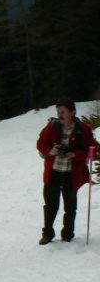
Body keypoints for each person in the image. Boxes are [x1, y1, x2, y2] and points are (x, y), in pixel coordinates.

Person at [36, 97, 96, 244]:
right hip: (54, 172)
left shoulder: (83, 129)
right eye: (58, 112)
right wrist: (50, 151)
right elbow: (40, 143)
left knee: (70, 206)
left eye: (63, 112)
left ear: (72, 112)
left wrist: (75, 154)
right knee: (50, 205)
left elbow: (92, 149)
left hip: (71, 173)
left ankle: (68, 234)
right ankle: (47, 234)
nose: (60, 115)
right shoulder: (52, 126)